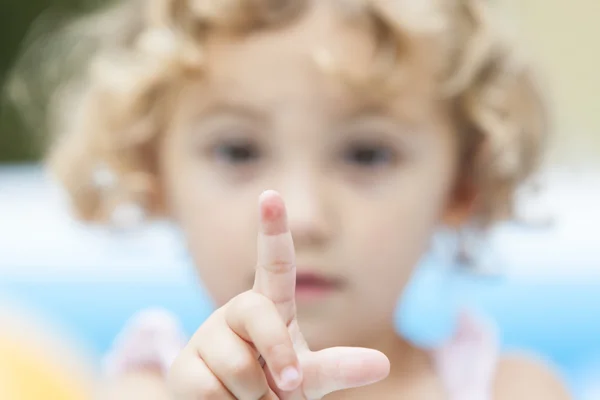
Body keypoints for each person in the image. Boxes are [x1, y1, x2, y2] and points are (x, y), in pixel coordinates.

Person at [7, 0, 571, 398]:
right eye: (237, 150)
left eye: (367, 155)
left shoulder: (513, 390)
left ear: (460, 186)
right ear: (153, 175)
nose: (302, 215)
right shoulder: (144, 391)